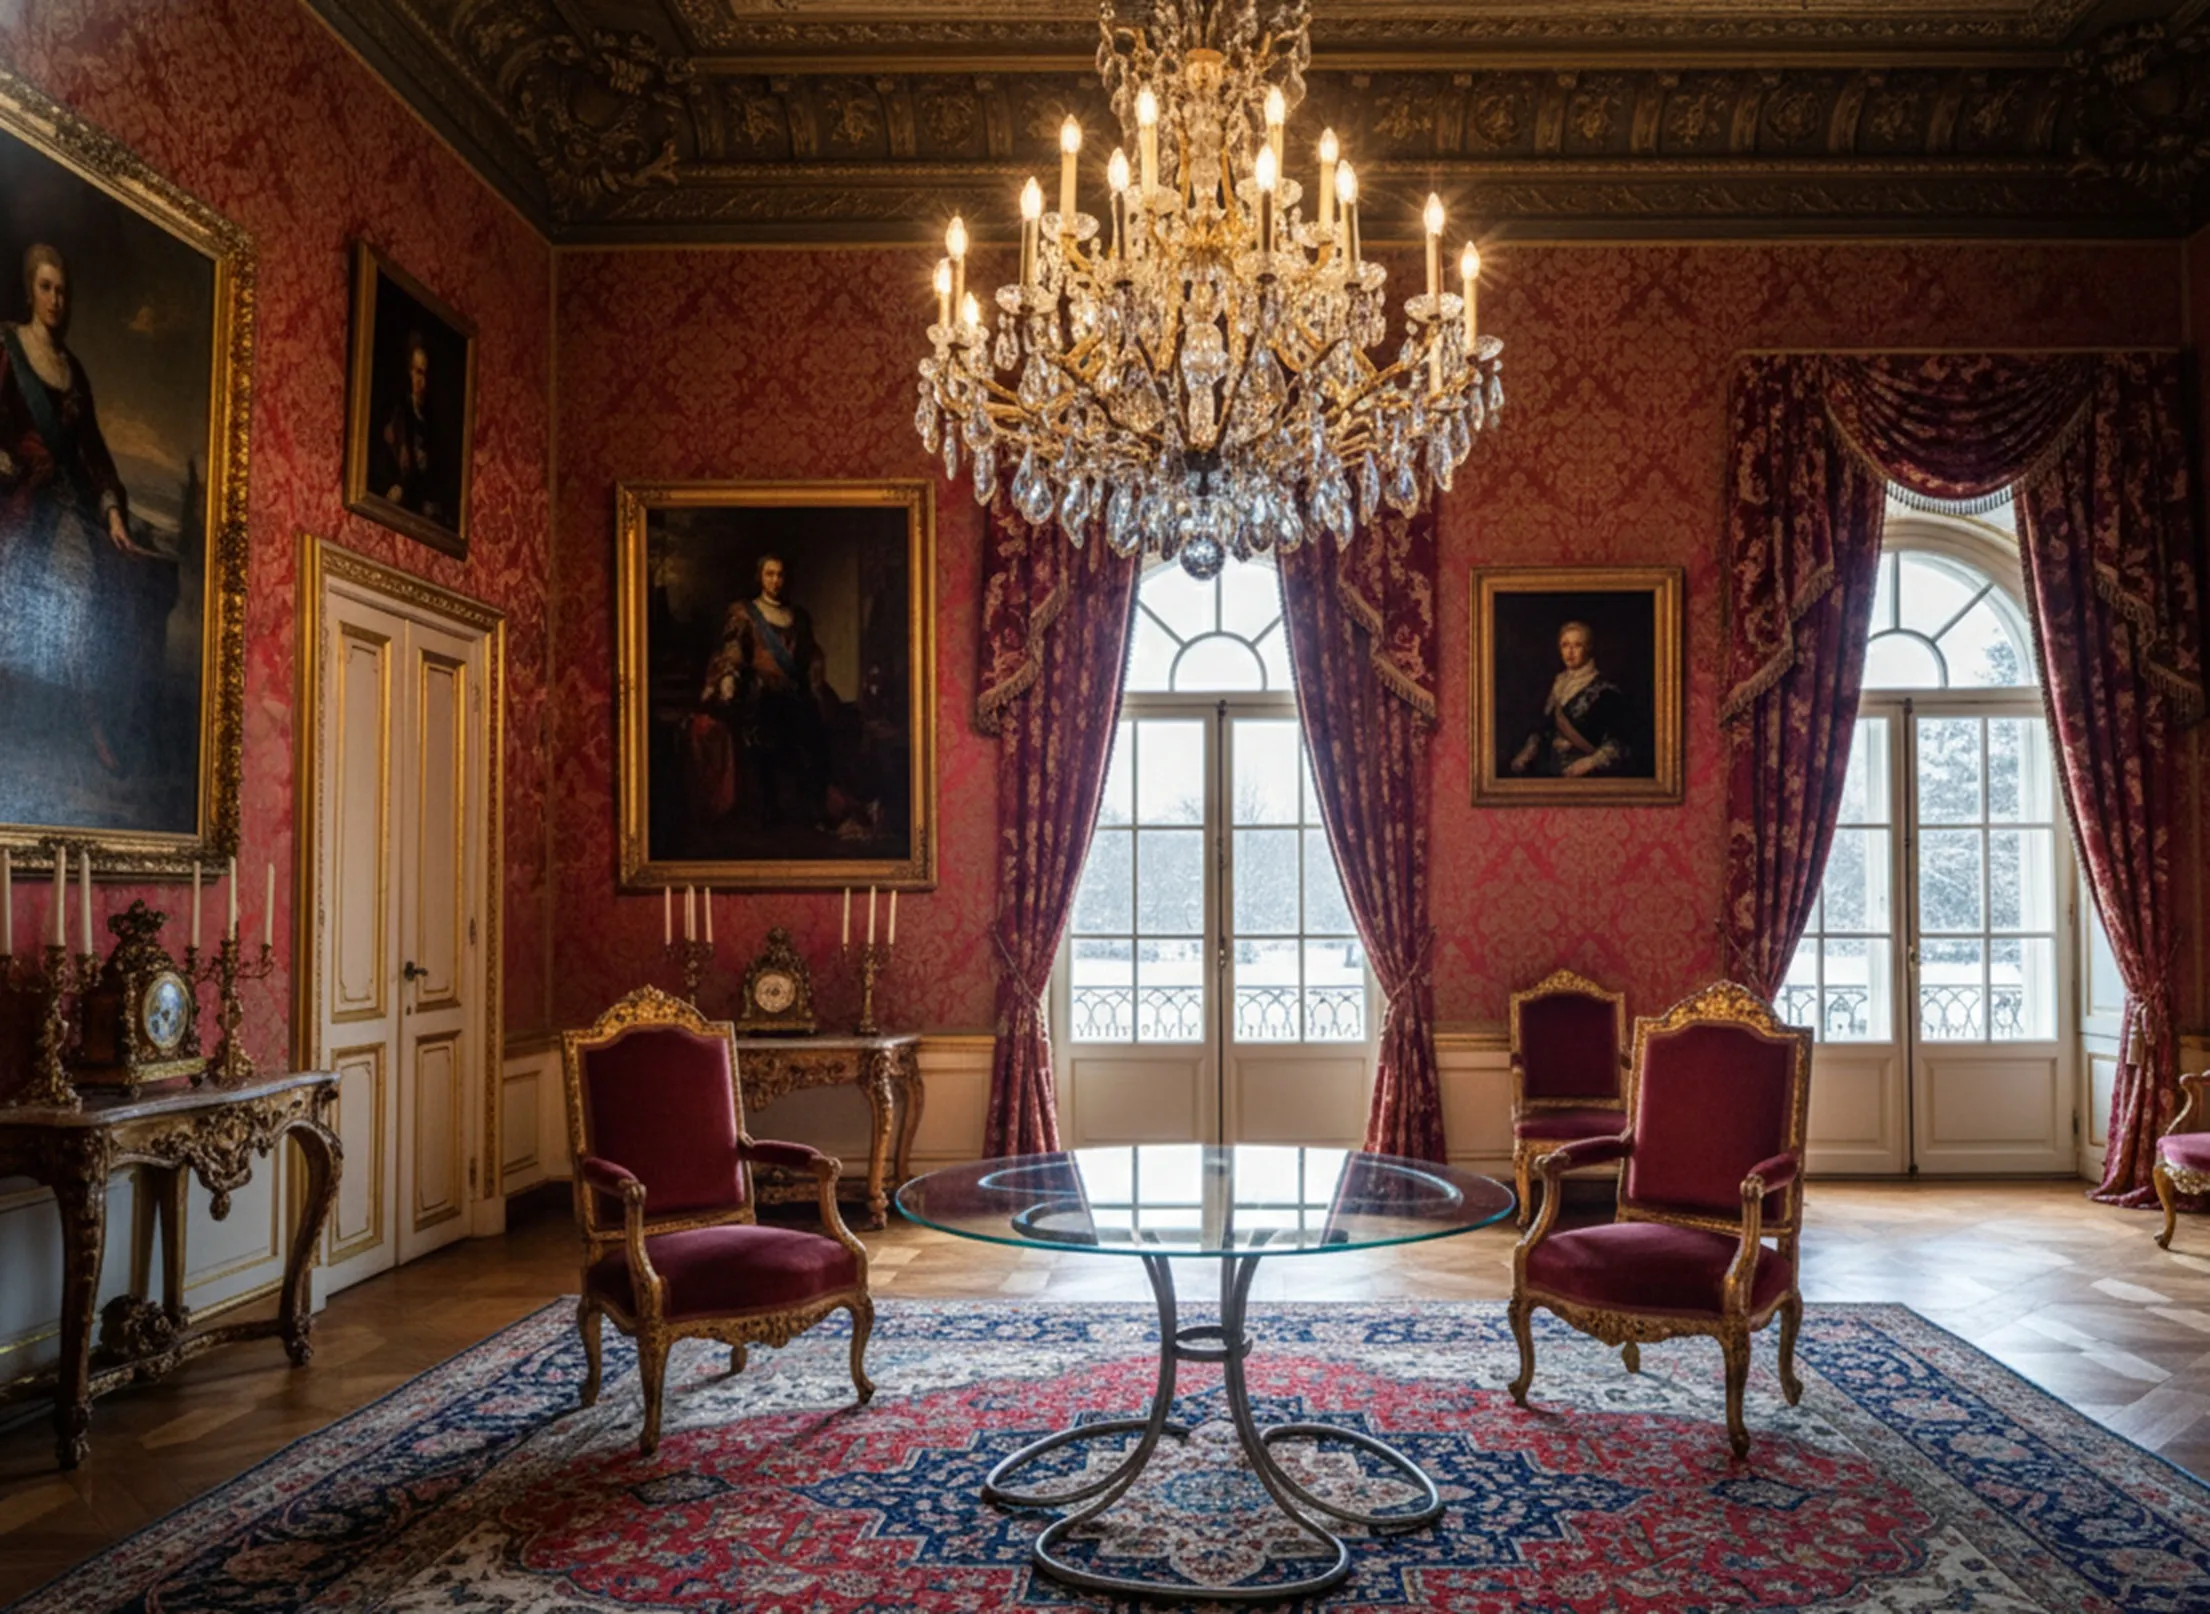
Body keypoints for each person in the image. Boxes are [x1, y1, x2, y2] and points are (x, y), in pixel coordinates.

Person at [0, 242, 140, 774]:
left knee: (82, 596)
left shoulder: (72, 371)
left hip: (60, 504)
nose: (55, 299)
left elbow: (94, 453)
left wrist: (111, 512)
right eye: (45, 287)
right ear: (30, 290)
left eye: (62, 290)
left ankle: (83, 721)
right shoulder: (7, 346)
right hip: (12, 497)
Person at [699, 554, 833, 831]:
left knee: (813, 744)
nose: (775, 581)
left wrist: (815, 685)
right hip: (762, 697)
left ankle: (810, 812)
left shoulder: (798, 616)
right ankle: (770, 813)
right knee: (766, 750)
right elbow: (733, 649)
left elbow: (811, 657)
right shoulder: (744, 612)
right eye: (770, 574)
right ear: (760, 577)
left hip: (796, 694)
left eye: (780, 575)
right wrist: (729, 676)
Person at [1509, 620, 1630, 779]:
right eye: (1565, 645)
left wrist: (1589, 763)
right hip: (1549, 773)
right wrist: (1528, 750)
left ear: (1587, 648)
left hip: (1587, 778)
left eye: (1577, 645)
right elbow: (1544, 728)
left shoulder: (1606, 691)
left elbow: (1620, 744)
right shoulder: (1558, 685)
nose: (1570, 652)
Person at [372, 329, 447, 520]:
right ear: (409, 371)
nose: (422, 382)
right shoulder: (398, 410)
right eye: (418, 372)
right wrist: (397, 484)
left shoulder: (430, 420)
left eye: (426, 375)